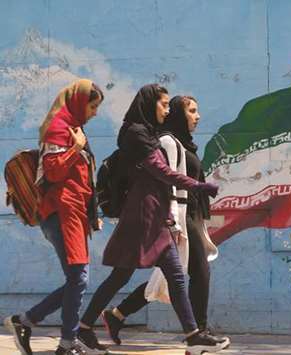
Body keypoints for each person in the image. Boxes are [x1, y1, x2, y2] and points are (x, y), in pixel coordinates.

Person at [76, 84, 225, 354]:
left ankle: (193, 335)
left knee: (171, 277)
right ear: (149, 104)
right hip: (142, 217)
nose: (167, 111)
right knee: (121, 277)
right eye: (164, 105)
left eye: (169, 106)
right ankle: (84, 329)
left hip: (155, 214)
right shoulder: (136, 134)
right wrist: (197, 187)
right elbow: (160, 171)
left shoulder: (146, 132)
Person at [3, 79, 104, 355]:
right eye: (93, 106)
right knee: (79, 278)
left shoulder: (74, 128)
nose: (95, 112)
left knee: (77, 278)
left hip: (73, 213)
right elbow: (53, 172)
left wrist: (92, 215)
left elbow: (82, 180)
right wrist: (75, 148)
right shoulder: (57, 129)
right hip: (61, 212)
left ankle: (28, 323)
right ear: (79, 102)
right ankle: (63, 340)